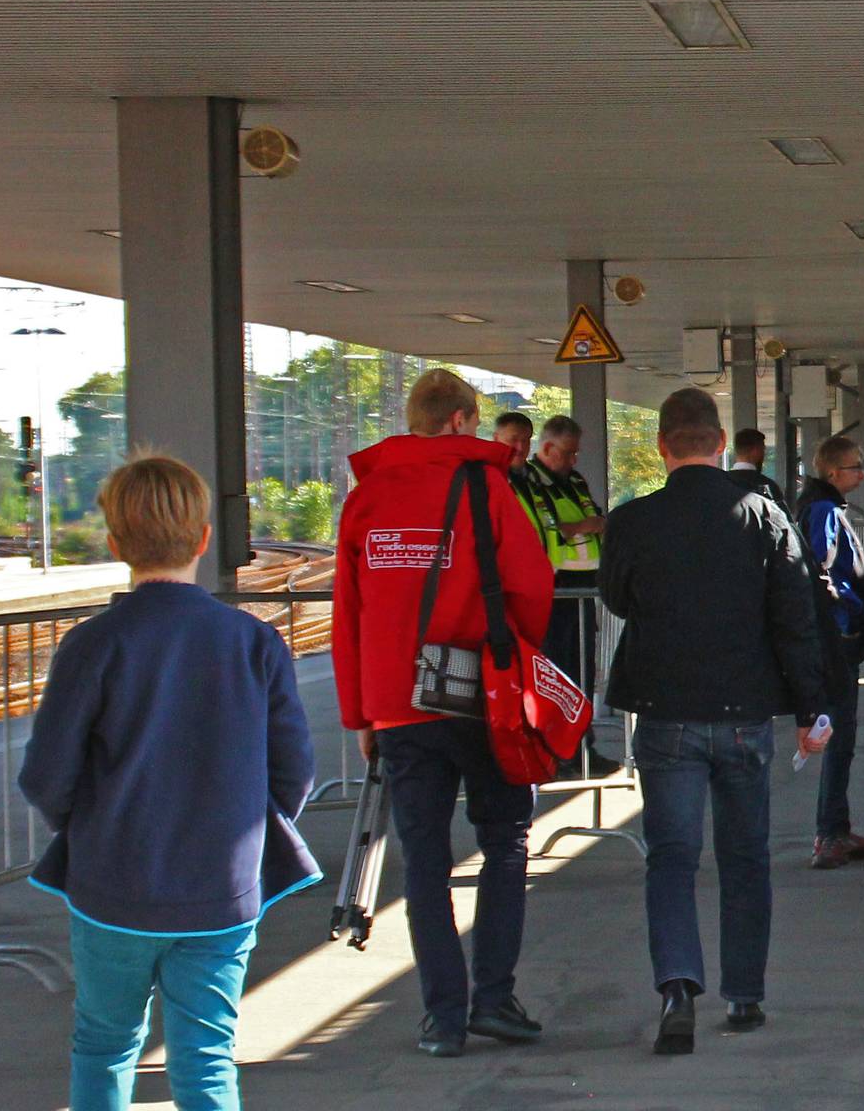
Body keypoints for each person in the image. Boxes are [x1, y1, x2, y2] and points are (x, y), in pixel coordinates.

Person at [18, 456, 318, 1111]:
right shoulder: (253, 642)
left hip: (112, 887)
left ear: (114, 543)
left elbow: (46, 774)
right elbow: (293, 769)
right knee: (207, 1054)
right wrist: (243, 836)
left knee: (104, 1042)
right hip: (221, 891)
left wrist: (95, 828)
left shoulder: (93, 644)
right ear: (205, 538)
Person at [598, 387, 830, 1055]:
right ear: (721, 443)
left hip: (666, 713)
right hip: (744, 714)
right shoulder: (761, 514)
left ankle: (676, 985)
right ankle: (745, 994)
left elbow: (615, 596)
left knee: (671, 856)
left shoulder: (633, 520)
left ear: (662, 447)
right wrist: (813, 707)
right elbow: (796, 617)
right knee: (744, 856)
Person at [334, 368, 556, 1057]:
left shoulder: (366, 498)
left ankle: (442, 1019)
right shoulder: (486, 487)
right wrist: (516, 660)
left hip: (399, 708)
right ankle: (494, 998)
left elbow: (349, 616)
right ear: (461, 421)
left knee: (424, 862)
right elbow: (531, 582)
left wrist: (361, 716)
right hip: (483, 701)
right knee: (505, 842)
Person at [797, 436, 864, 870]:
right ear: (833, 473)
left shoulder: (819, 507)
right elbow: (822, 570)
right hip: (834, 640)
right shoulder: (823, 512)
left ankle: (838, 826)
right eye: (855, 467)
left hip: (832, 637)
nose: (862, 473)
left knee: (841, 736)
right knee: (839, 736)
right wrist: (851, 615)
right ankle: (829, 834)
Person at [513, 414, 606, 688]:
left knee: (582, 662)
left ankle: (583, 724)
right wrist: (581, 526)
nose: (573, 460)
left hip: (584, 585)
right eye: (567, 453)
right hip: (553, 586)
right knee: (556, 663)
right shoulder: (529, 483)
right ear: (547, 449)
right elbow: (538, 529)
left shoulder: (575, 481)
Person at [728, 427, 785, 505]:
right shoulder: (768, 487)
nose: (764, 454)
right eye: (763, 449)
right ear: (756, 451)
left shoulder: (720, 483)